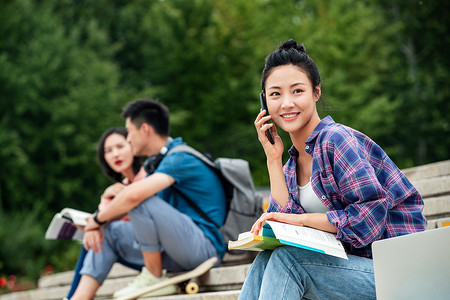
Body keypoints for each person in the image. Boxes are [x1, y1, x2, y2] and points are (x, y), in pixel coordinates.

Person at [239, 39, 427, 300]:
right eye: (275, 94)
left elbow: (368, 219)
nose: (286, 103)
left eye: (297, 91)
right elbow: (284, 226)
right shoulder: (291, 166)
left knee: (289, 261)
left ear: (316, 92)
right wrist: (273, 159)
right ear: (264, 103)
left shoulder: (335, 140)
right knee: (265, 260)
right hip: (345, 270)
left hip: (397, 273)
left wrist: (300, 220)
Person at [82, 99, 227, 299]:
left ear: (145, 129)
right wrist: (98, 224)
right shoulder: (161, 162)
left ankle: (153, 276)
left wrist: (97, 219)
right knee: (110, 232)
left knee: (140, 198)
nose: (129, 139)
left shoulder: (179, 158)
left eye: (129, 132)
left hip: (204, 248)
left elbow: (134, 195)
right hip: (178, 247)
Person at [68, 127, 147, 299]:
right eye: (108, 151)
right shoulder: (116, 190)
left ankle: (75, 297)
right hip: (136, 249)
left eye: (120, 147)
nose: (115, 154)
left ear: (133, 146)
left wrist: (96, 225)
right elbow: (100, 221)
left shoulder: (149, 177)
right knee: (95, 236)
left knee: (106, 232)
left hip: (157, 249)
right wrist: (105, 198)